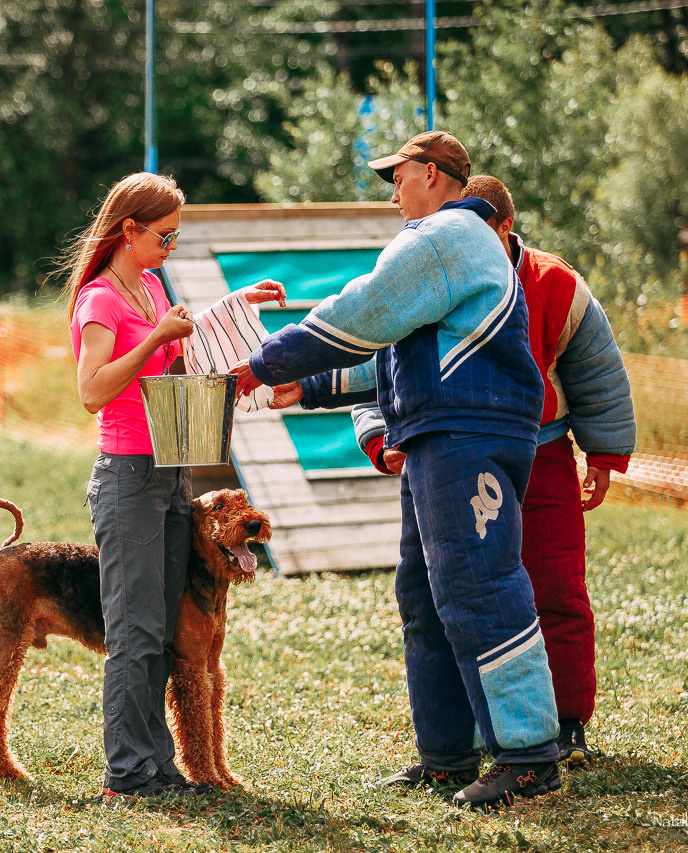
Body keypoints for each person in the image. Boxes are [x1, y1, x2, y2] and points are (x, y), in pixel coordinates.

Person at [232, 131, 562, 810]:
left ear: (438, 176)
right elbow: (400, 344)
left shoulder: (445, 235)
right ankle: (447, 754)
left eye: (401, 177)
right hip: (442, 434)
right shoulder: (455, 242)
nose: (393, 193)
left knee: (482, 586)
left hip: (467, 434)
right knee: (425, 596)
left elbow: (365, 310)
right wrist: (316, 386)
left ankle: (529, 757)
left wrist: (268, 361)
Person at [351, 175, 636, 768]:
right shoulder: (427, 271)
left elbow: (598, 373)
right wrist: (381, 435)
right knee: (453, 599)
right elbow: (381, 363)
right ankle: (469, 741)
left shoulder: (555, 282)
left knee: (555, 585)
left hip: (544, 451)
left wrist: (605, 457)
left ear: (504, 229)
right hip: (456, 455)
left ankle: (564, 725)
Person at [63, 172, 283, 800]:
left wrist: (231, 309)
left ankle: (158, 765)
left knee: (163, 627)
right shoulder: (101, 300)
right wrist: (157, 338)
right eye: (163, 237)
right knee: (132, 633)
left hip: (172, 471)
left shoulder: (152, 286)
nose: (170, 249)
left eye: (176, 238)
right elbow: (92, 390)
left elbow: (175, 357)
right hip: (127, 478)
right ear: (128, 230)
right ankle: (127, 772)